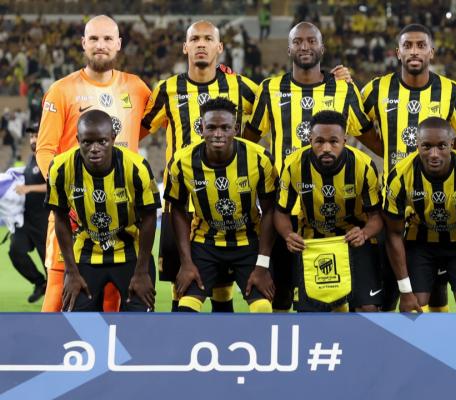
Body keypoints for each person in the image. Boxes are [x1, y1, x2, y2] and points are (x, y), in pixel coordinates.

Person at [244, 21, 370, 312]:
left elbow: (369, 136)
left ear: (322, 48)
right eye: (298, 41)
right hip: (283, 210)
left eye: (311, 41)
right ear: (289, 48)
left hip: (332, 211)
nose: (304, 46)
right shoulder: (270, 89)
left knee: (336, 290)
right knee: (281, 294)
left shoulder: (343, 90)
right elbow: (247, 140)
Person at [141, 20, 259, 312]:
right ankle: (182, 337)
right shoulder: (167, 90)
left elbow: (274, 111)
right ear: (185, 47)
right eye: (195, 39)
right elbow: (137, 130)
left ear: (219, 47)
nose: (201, 44)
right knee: (180, 285)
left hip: (226, 203)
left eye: (208, 39)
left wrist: (333, 82)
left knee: (222, 288)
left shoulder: (240, 86)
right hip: (181, 205)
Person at [36, 15, 151, 312]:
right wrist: (67, 196)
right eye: (94, 39)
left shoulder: (137, 88)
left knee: (113, 298)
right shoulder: (62, 90)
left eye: (108, 39)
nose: (101, 45)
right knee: (59, 291)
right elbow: (45, 150)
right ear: (83, 43)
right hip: (73, 211)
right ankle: (49, 343)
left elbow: (147, 127)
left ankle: (104, 346)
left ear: (119, 44)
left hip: (120, 215)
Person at [359, 23, 456, 312]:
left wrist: (442, 155)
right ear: (397, 52)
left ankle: (434, 338)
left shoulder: (451, 91)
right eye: (408, 46)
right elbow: (357, 125)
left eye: (421, 46)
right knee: (388, 289)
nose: (414, 51)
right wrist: (388, 151)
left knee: (435, 286)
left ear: (431, 52)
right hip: (392, 203)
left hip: (440, 205)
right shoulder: (376, 89)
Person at [164, 98, 276, 313]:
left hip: (249, 242)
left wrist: (262, 265)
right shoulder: (182, 161)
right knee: (185, 309)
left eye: (225, 127)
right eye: (211, 127)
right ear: (201, 128)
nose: (218, 134)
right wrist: (186, 262)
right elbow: (177, 209)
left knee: (263, 308)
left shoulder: (259, 159)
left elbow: (270, 210)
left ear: (236, 128)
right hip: (205, 243)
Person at [45, 110, 159, 312]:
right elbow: (60, 217)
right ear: (78, 140)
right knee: (81, 324)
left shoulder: (136, 167)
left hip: (131, 254)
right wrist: (71, 271)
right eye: (87, 142)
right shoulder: (60, 168)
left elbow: (149, 218)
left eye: (102, 141)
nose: (94, 149)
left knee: (139, 323)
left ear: (113, 138)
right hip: (86, 253)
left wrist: (142, 271)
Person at [383, 117, 456, 313]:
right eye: (426, 146)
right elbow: (393, 234)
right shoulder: (399, 176)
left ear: (452, 144)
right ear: (417, 145)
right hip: (421, 242)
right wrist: (405, 291)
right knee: (413, 309)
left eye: (442, 146)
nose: (434, 154)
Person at [274, 110, 383, 312]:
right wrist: (288, 234)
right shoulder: (294, 165)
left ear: (344, 140)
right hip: (312, 243)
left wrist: (364, 233)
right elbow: (281, 212)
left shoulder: (363, 166)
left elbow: (376, 216)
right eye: (319, 141)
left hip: (353, 241)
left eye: (333, 141)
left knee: (368, 309)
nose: (326, 148)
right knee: (310, 316)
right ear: (310, 140)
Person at [10, 124, 47, 303]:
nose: (33, 139)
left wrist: (28, 188)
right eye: (31, 136)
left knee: (51, 266)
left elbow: (53, 185)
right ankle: (40, 283)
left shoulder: (48, 159)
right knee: (15, 251)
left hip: (45, 221)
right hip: (27, 219)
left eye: (36, 135)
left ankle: (61, 300)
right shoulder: (32, 159)